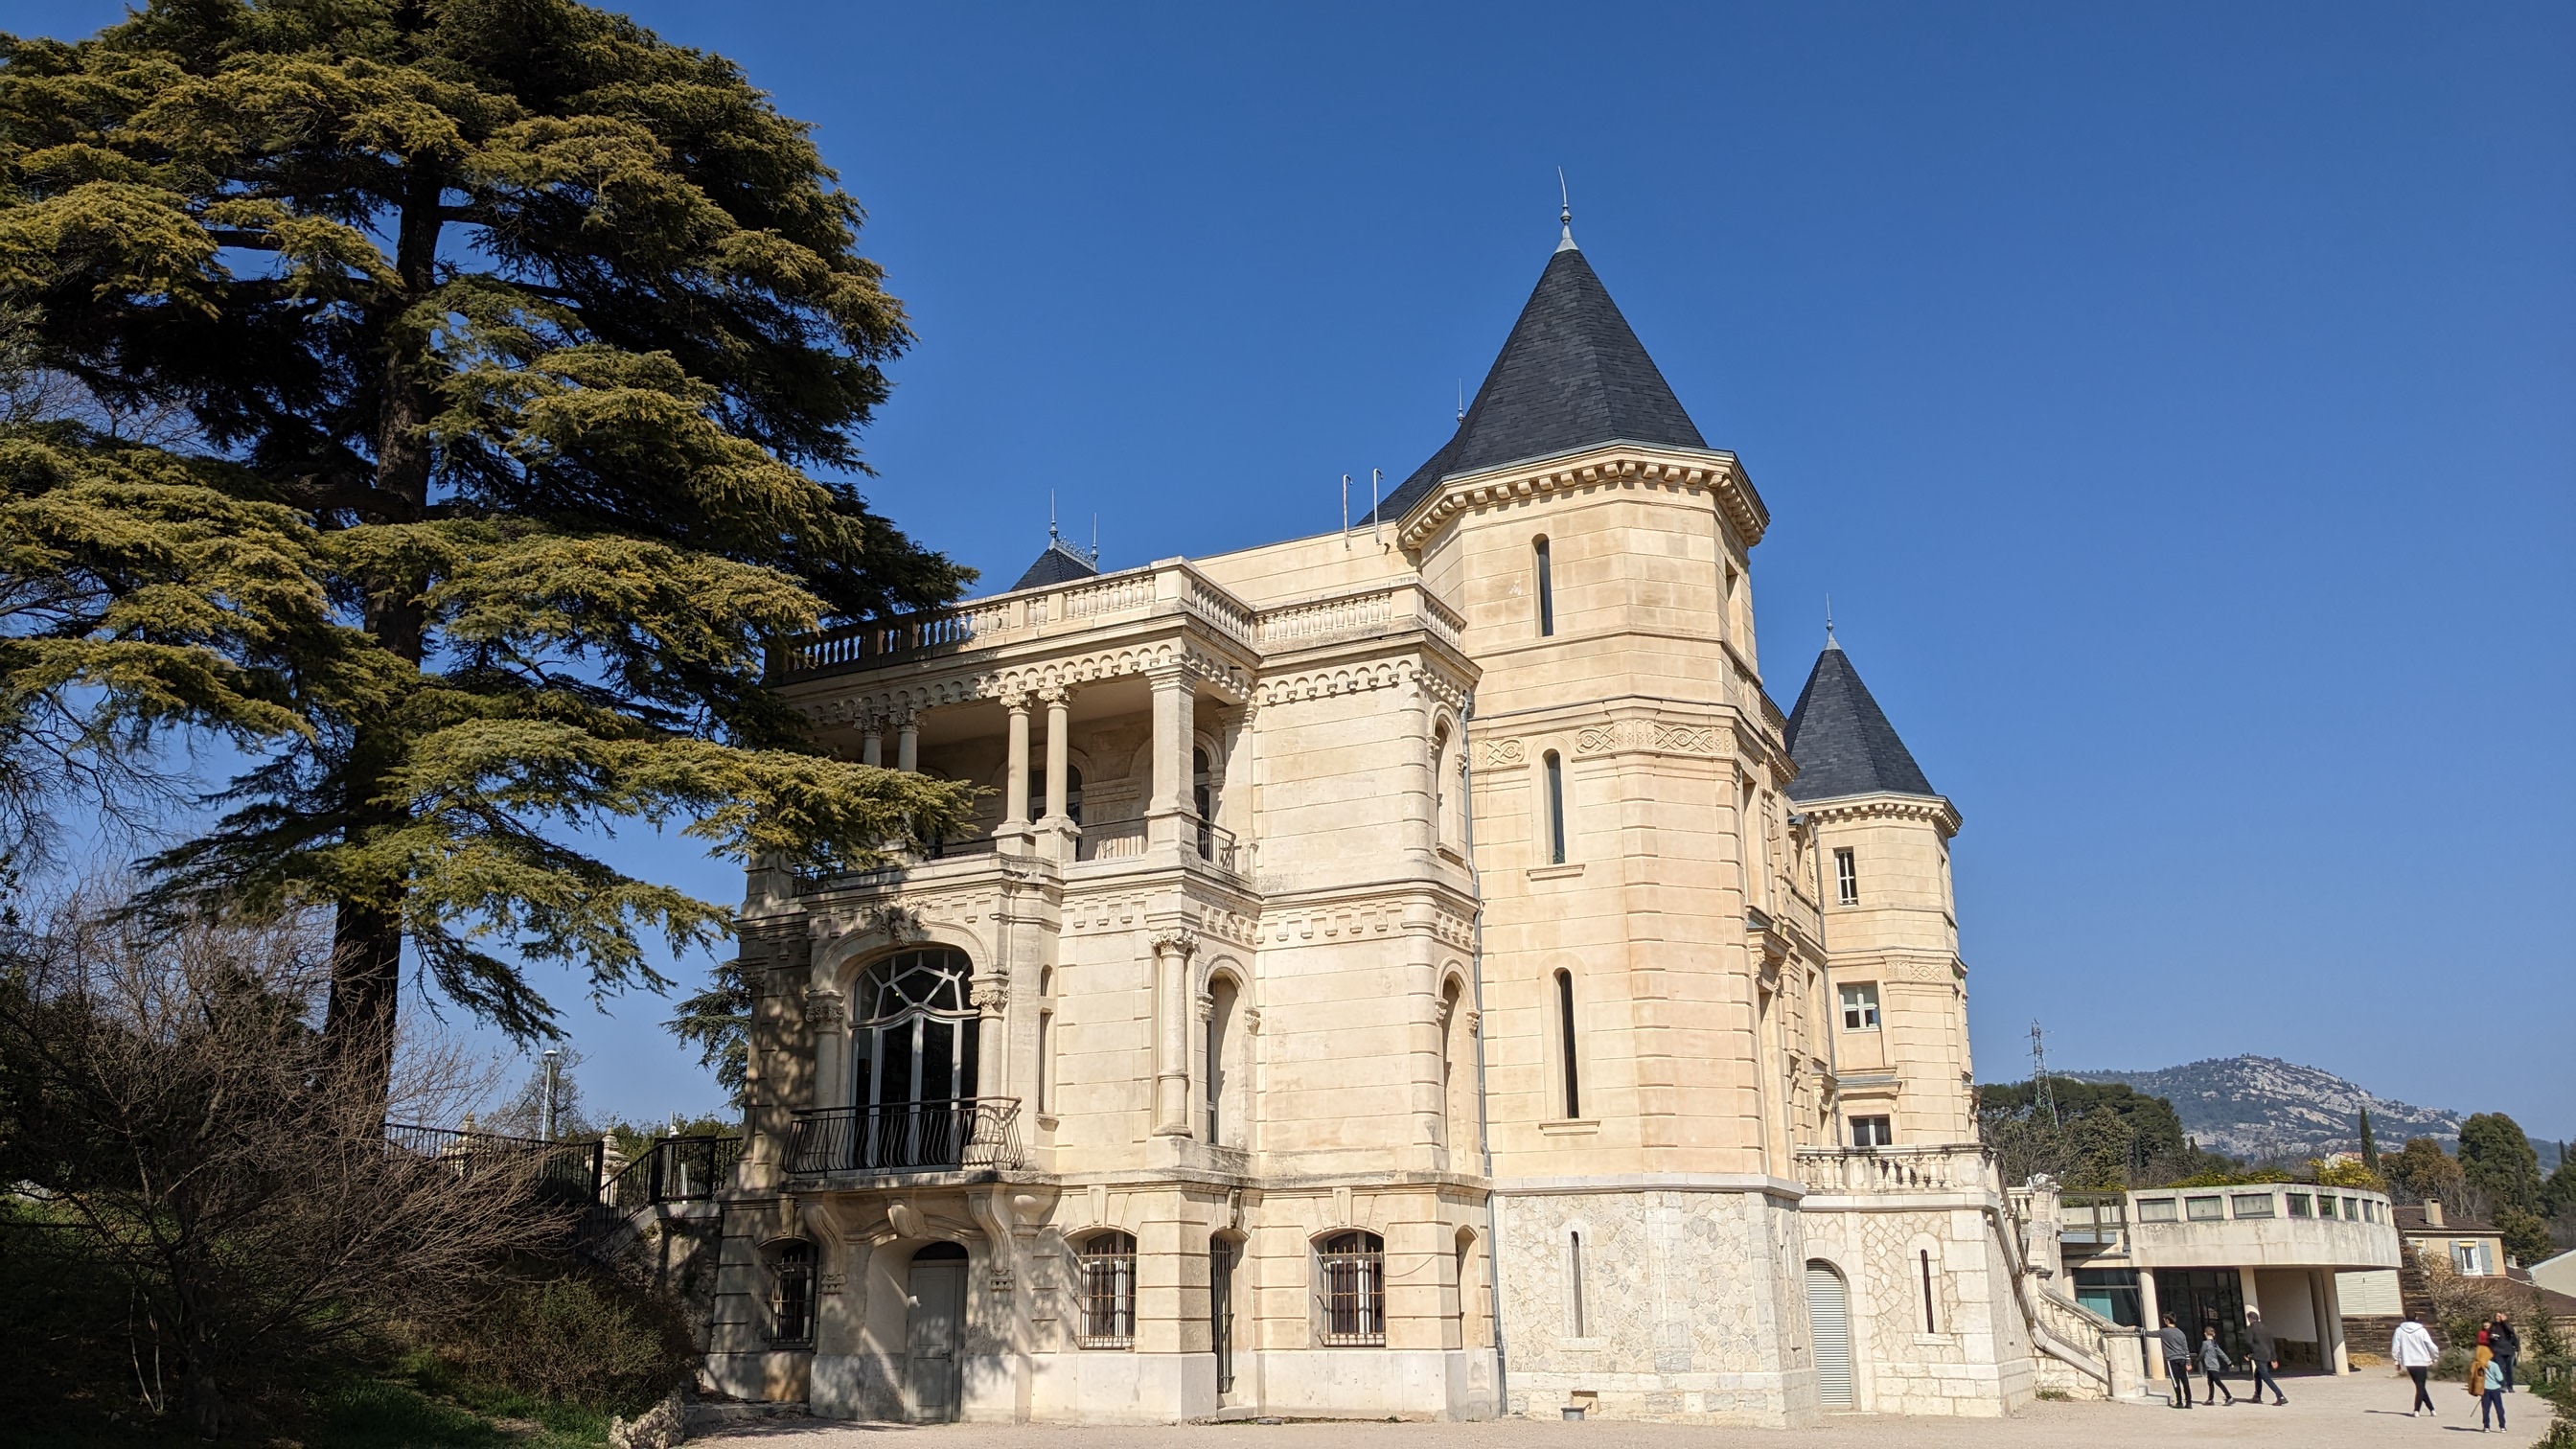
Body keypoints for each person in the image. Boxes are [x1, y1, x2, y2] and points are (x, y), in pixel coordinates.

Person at [2391, 1312, 2439, 1415]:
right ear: (2416, 1318)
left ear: (2405, 1318)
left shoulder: (2399, 1330)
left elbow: (2395, 1347)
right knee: (2420, 1386)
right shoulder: (2422, 1331)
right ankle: (2417, 1409)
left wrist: (2397, 1361)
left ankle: (2431, 1409)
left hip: (2409, 1361)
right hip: (2422, 1360)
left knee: (2419, 1385)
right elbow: (2431, 1346)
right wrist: (2435, 1357)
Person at [2244, 1307, 2288, 1405]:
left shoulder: (2251, 1328)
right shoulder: (2265, 1328)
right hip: (2267, 1354)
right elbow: (2271, 1343)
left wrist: (2248, 1354)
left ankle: (2280, 1396)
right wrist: (2274, 1358)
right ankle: (2257, 1396)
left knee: (2265, 1376)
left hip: (2258, 1355)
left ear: (2250, 1319)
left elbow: (2248, 1343)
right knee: (2257, 1375)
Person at [2160, 1313, 2195, 1408]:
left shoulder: (2164, 1331)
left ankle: (2179, 1401)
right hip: (2182, 1358)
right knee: (2185, 1380)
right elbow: (2185, 1348)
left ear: (2167, 1320)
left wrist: (2139, 1329)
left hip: (2171, 1358)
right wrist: (2188, 1361)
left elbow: (2150, 1333)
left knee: (2175, 1381)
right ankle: (2189, 1402)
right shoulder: (2181, 1332)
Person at [2198, 1325, 2238, 1405]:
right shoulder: (2214, 1344)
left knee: (2217, 1382)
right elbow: (2221, 1353)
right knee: (2210, 1382)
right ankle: (2210, 1399)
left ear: (2205, 1334)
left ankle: (2229, 1396)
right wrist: (2229, 1362)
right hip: (2215, 1365)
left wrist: (2197, 1361)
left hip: (2210, 1365)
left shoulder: (2205, 1343)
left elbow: (2202, 1354)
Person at [2479, 1348, 2508, 1432]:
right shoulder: (2494, 1365)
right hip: (2495, 1389)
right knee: (2499, 1408)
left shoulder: (2480, 1365)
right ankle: (2502, 1426)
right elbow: (2500, 1378)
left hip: (2485, 1389)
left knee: (2486, 1409)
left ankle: (2486, 1426)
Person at [2490, 1312, 2519, 1392]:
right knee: (2499, 1369)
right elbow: (2489, 1335)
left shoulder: (2507, 1325)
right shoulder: (2493, 1326)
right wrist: (2492, 1337)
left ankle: (2510, 1386)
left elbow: (2511, 1331)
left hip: (2508, 1350)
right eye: (2497, 1316)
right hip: (2497, 1350)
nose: (2498, 1317)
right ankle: (2502, 1385)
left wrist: (2505, 1321)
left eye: (2500, 1316)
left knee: (2509, 1369)